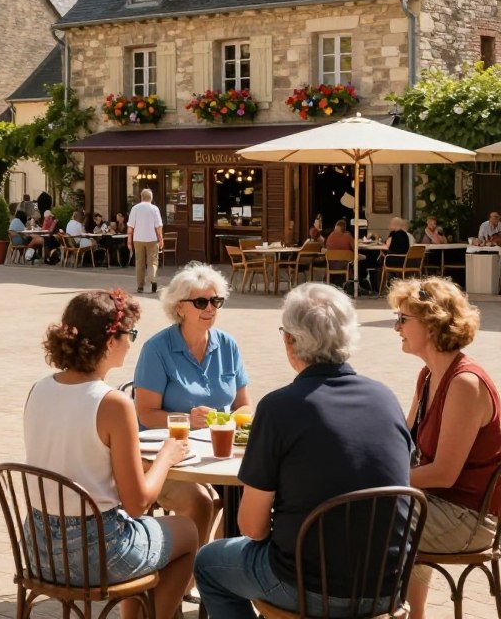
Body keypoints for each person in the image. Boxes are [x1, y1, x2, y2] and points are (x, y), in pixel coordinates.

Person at [194, 283, 412, 618]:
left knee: (208, 562)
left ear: (290, 340)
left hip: (311, 587)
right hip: (388, 585)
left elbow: (252, 528)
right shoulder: (385, 397)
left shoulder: (280, 407)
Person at [25, 289, 197, 619]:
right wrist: (166, 456)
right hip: (93, 553)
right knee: (187, 531)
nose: (131, 342)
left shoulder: (40, 388)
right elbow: (137, 503)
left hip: (38, 549)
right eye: (129, 334)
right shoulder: (113, 403)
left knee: (150, 534)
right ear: (109, 341)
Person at [388, 277, 501, 619]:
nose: (396, 327)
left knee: (365, 515)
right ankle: (412, 614)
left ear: (432, 322)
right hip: (438, 504)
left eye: (403, 319)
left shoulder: (465, 383)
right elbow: (402, 441)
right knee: (376, 505)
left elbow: (444, 474)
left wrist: (379, 479)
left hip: (469, 518)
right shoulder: (428, 375)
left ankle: (380, 609)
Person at [135, 263, 250, 550]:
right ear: (179, 307)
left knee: (255, 492)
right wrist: (187, 419)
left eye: (216, 301)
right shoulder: (157, 349)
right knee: (202, 503)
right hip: (166, 458)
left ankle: (221, 565)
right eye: (201, 302)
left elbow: (244, 406)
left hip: (218, 453)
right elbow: (145, 413)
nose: (210, 308)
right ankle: (190, 581)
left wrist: (234, 421)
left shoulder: (228, 345)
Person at [128, 188, 164, 294]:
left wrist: (129, 241)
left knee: (139, 262)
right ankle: (153, 280)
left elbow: (130, 226)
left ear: (141, 197)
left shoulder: (135, 208)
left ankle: (140, 286)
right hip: (152, 239)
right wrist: (161, 239)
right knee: (152, 261)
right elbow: (159, 226)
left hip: (138, 239)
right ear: (151, 198)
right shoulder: (154, 209)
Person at [323, 218, 371, 292]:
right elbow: (355, 248)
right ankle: (358, 284)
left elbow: (327, 247)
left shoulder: (330, 236)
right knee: (361, 258)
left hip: (331, 265)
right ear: (344, 228)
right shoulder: (347, 236)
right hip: (345, 265)